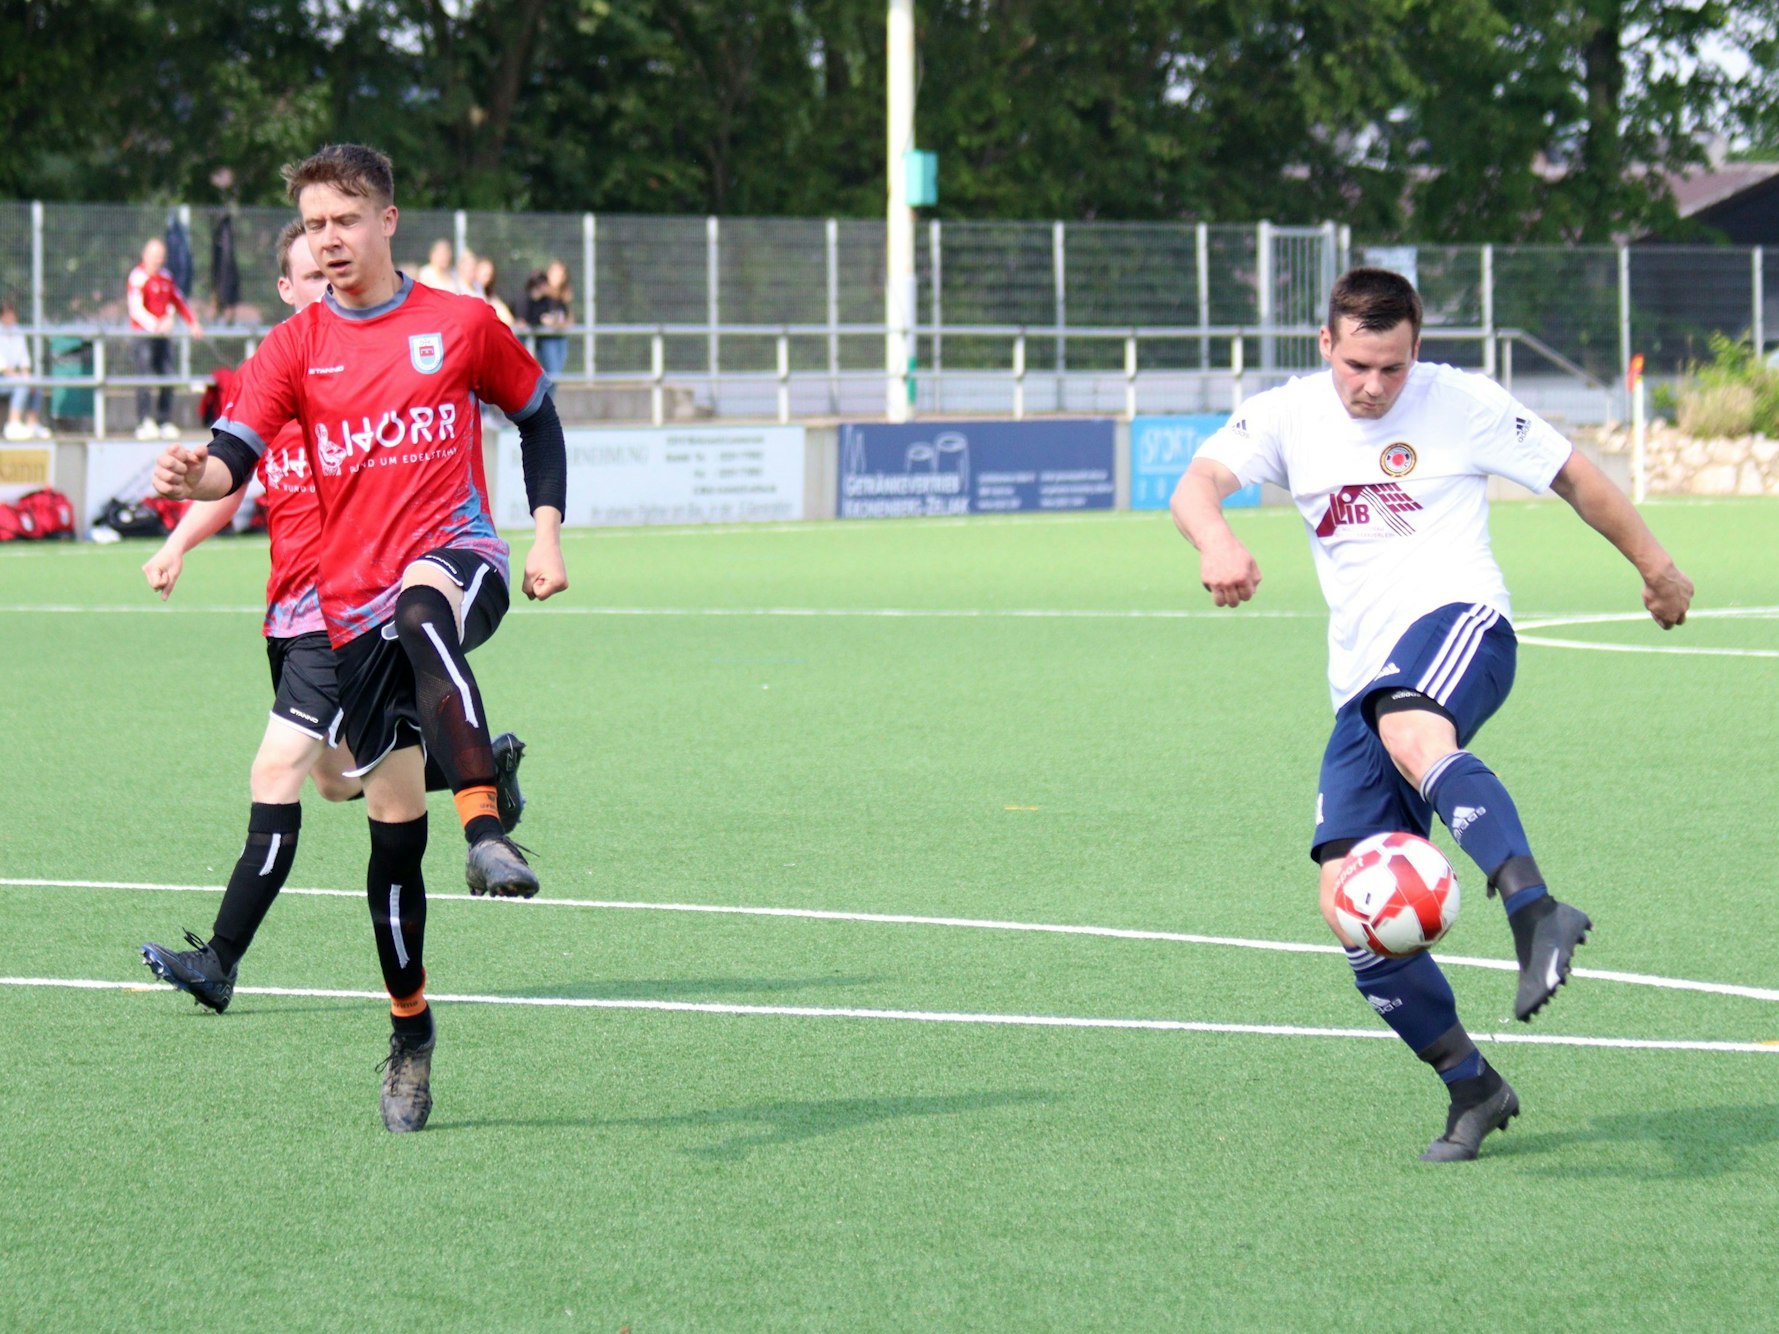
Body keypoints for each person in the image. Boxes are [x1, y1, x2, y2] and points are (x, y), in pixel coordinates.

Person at [1171, 267, 1694, 1163]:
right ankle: (1472, 1085)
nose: (1373, 386)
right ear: (1326, 345)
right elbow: (1196, 483)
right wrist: (1216, 538)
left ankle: (1533, 908)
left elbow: (1575, 480)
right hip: (1362, 685)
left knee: (1415, 729)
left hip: (1461, 625)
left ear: (1416, 352)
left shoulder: (1463, 403)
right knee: (1348, 904)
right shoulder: (1288, 413)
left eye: (1393, 368)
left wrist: (1655, 566)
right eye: (1358, 365)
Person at [152, 143, 569, 1134]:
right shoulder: (293, 349)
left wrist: (545, 532)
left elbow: (539, 418)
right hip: (350, 615)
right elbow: (231, 462)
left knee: (426, 609)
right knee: (386, 839)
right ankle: (411, 1032)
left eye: (345, 219)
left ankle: (487, 832)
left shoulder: (460, 324)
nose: (329, 239)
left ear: (386, 217)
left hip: (457, 557)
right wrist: (189, 478)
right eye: (314, 224)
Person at [127, 237, 204, 440]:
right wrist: (156, 325)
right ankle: (144, 421)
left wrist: (192, 322)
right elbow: (136, 310)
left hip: (163, 336)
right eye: (153, 256)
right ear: (145, 255)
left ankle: (164, 420)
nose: (157, 260)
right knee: (144, 377)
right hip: (144, 336)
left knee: (168, 375)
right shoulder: (138, 277)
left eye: (160, 256)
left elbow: (178, 300)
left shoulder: (166, 277)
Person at [1, 300, 49, 440]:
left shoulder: (18, 331)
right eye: (8, 314)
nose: (11, 317)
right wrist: (20, 378)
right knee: (22, 384)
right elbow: (2, 366)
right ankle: (13, 423)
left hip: (13, 377)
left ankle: (32, 424)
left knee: (34, 383)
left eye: (13, 314)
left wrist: (27, 376)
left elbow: (24, 359)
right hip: (3, 377)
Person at [524, 259, 571, 378]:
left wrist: (558, 324)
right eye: (556, 272)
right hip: (546, 339)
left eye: (561, 274)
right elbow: (534, 313)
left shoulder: (563, 296)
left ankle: (549, 397)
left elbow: (568, 318)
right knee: (552, 374)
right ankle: (544, 397)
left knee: (556, 375)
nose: (559, 277)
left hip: (560, 337)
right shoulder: (541, 292)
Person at [475, 257, 516, 329]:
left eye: (490, 275)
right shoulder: (470, 291)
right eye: (485, 274)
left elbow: (508, 320)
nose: (488, 279)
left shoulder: (490, 295)